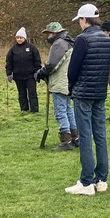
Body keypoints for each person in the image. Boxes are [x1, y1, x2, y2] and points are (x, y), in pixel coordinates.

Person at [64, 4, 110, 196]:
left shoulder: (82, 39)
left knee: (85, 136)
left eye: (79, 21)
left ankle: (86, 182)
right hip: (99, 92)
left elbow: (73, 69)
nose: (79, 24)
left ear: (84, 19)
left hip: (83, 93)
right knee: (100, 135)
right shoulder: (106, 38)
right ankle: (101, 179)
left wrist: (71, 88)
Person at [34, 22, 78, 151]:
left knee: (60, 111)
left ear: (54, 33)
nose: (47, 36)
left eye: (48, 34)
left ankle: (66, 141)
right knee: (68, 110)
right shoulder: (69, 42)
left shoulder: (59, 43)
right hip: (68, 81)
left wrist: (40, 73)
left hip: (60, 82)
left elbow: (52, 64)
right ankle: (75, 137)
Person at [5, 27, 42, 113]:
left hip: (30, 76)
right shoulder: (13, 49)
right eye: (17, 38)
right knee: (22, 94)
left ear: (24, 38)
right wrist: (9, 73)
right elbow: (9, 62)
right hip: (18, 76)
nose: (19, 39)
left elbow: (37, 60)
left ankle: (34, 110)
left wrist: (37, 71)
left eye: (20, 38)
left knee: (32, 93)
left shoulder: (32, 48)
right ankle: (24, 109)